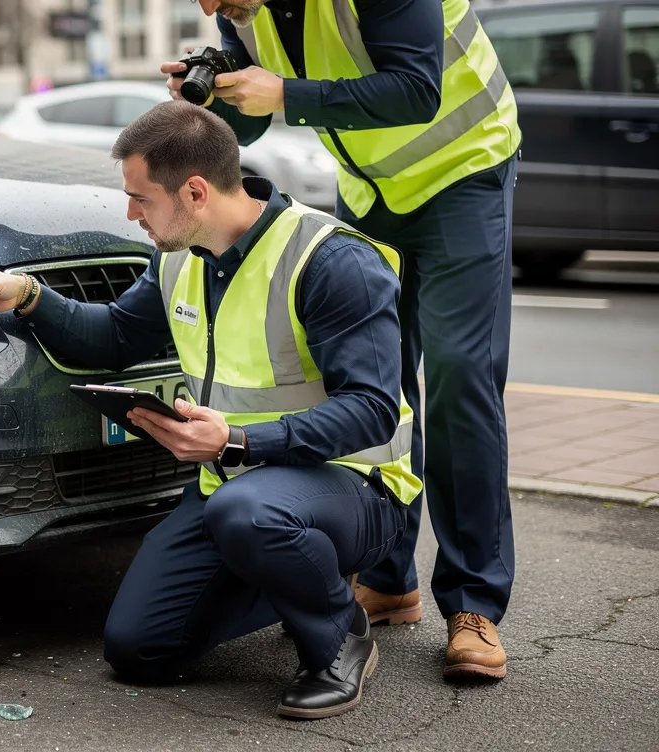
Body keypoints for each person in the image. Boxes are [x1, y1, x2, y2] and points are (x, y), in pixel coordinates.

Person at [0, 101, 420, 719]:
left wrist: (236, 441)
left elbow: (372, 410)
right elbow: (112, 337)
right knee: (140, 648)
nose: (131, 214)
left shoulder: (332, 261)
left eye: (141, 198)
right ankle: (296, 576)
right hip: (239, 488)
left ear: (194, 191)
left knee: (249, 514)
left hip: (356, 488)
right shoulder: (179, 256)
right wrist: (26, 295)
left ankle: (337, 636)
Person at [162, 0, 520, 680]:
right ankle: (389, 580)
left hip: (463, 170)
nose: (210, 6)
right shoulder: (241, 11)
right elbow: (252, 118)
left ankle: (473, 604)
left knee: (459, 376)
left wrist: (285, 93)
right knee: (372, 381)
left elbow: (416, 89)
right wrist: (210, 99)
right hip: (373, 189)